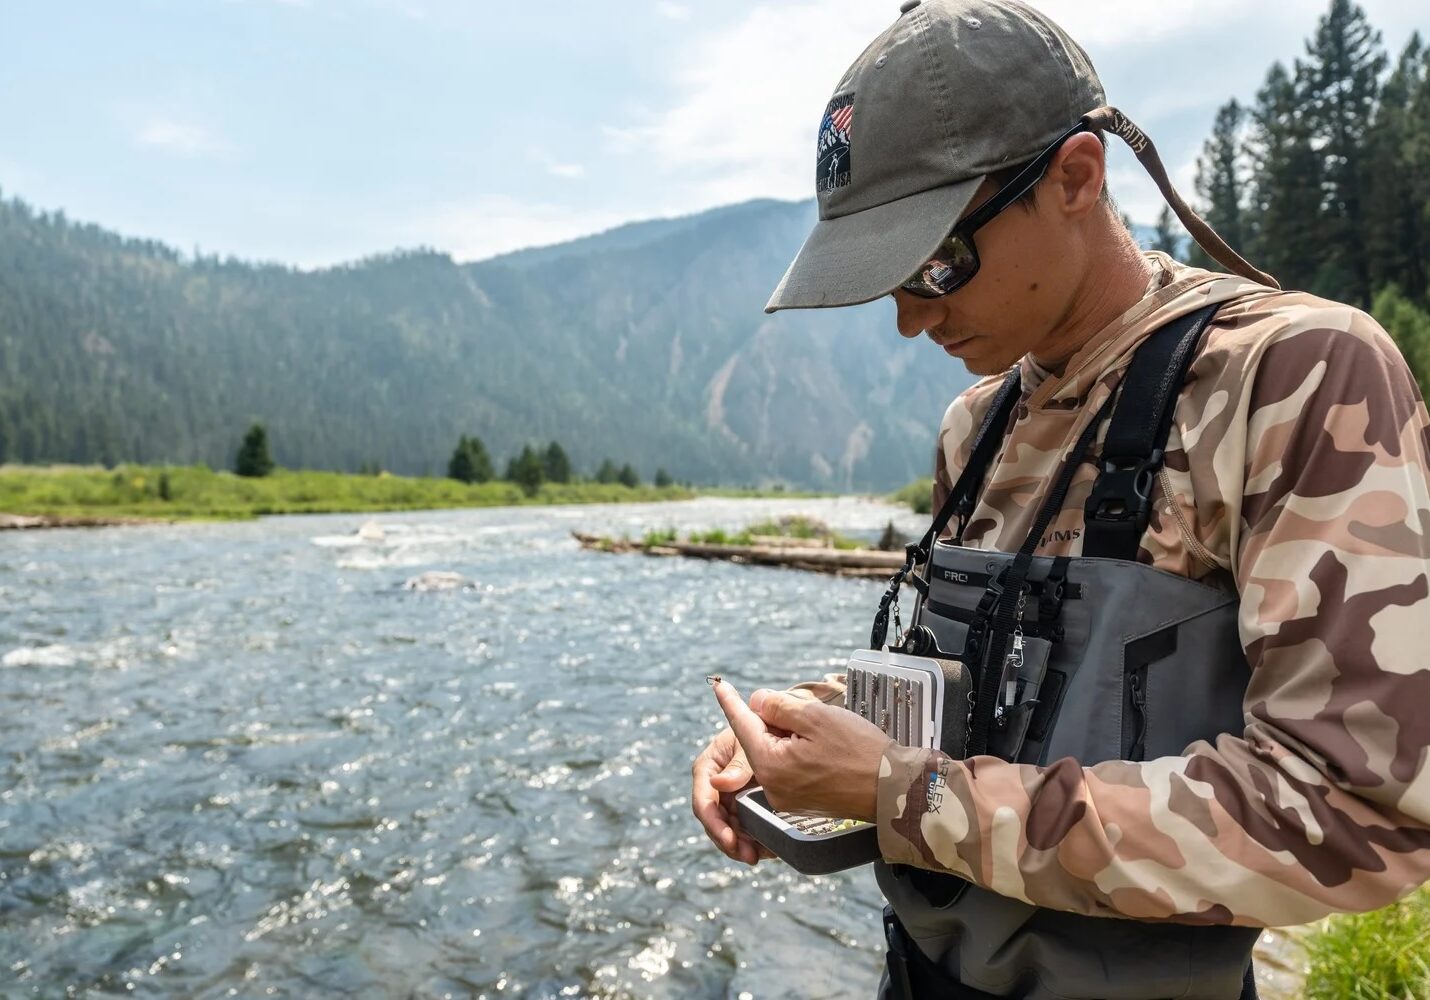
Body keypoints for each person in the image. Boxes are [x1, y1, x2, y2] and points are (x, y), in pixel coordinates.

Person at [689, 1, 1430, 997]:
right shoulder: (972, 425)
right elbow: (967, 699)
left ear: (1075, 177)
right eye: (886, 282)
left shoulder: (1294, 377)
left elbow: (1353, 812)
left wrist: (892, 788)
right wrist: (800, 728)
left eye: (936, 264)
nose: (912, 319)